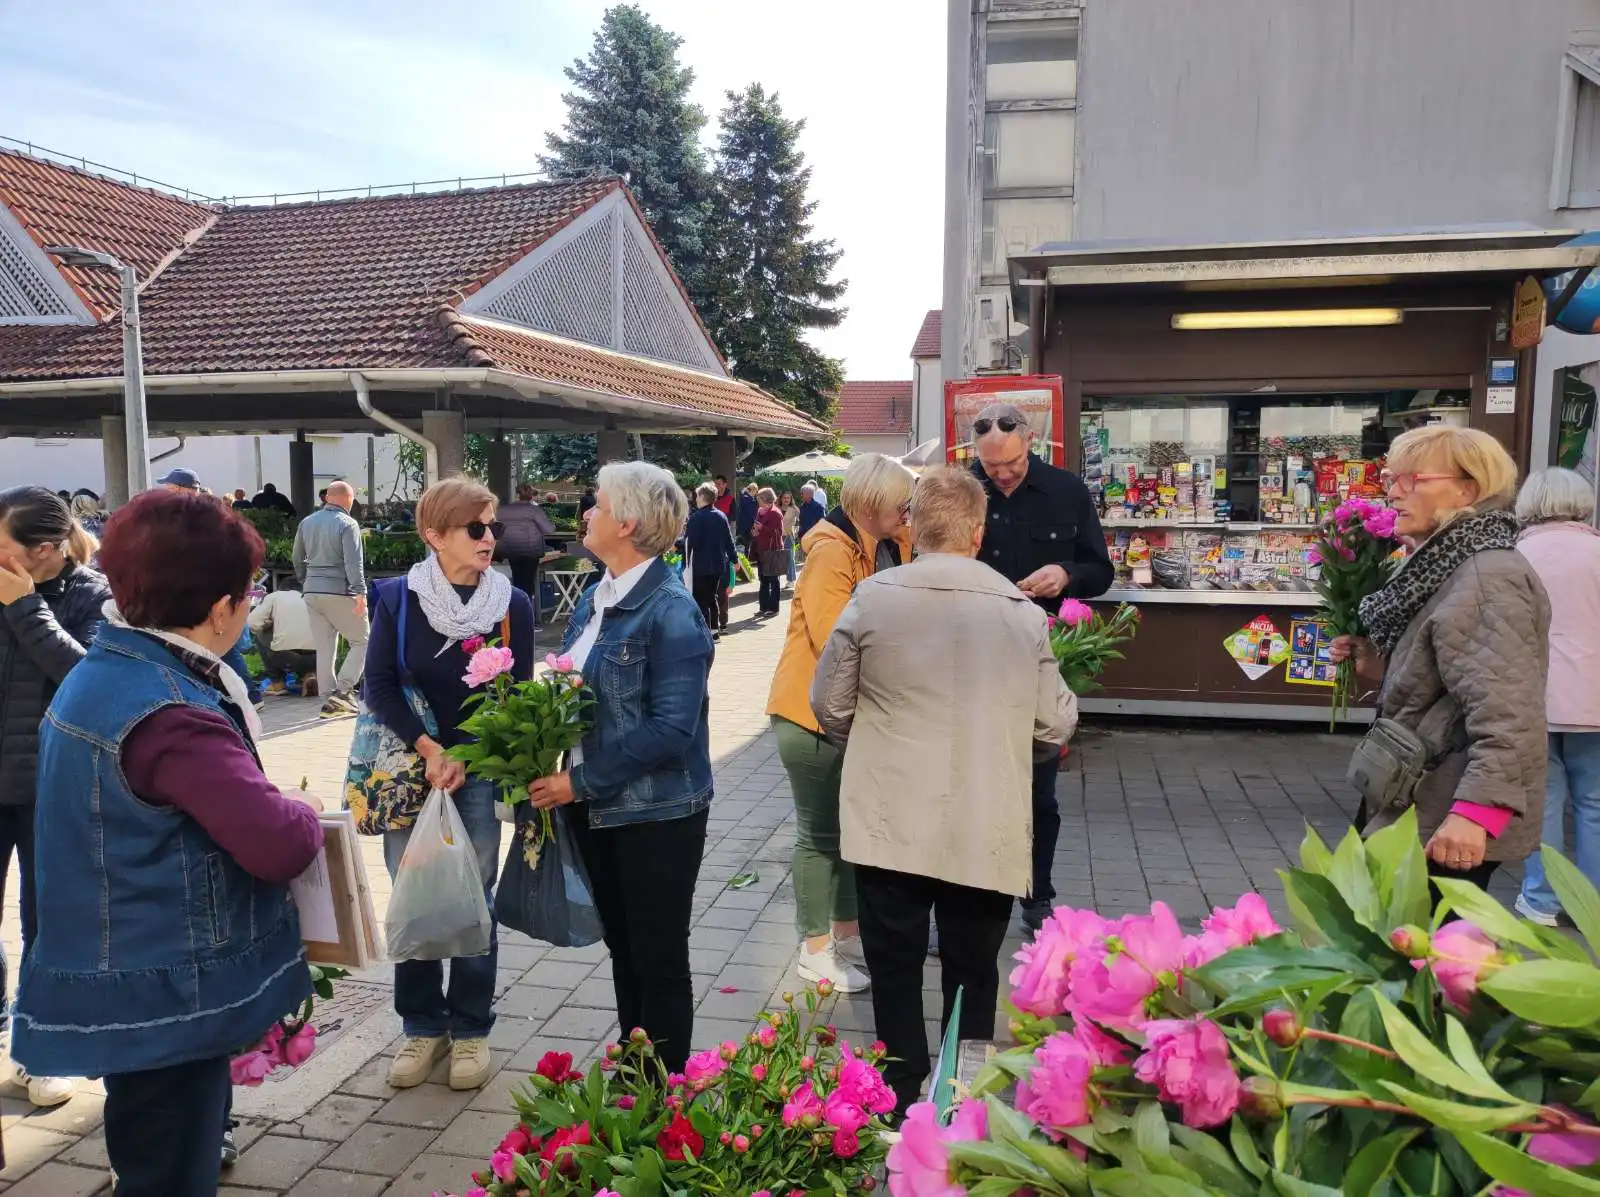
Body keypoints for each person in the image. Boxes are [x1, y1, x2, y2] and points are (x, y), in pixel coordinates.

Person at [13, 489, 323, 1195]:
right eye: (247, 595)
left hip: (126, 970)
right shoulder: (171, 711)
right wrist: (303, 809)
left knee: (152, 1153)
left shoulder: (102, 671)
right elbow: (276, 842)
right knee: (171, 1168)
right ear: (219, 609)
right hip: (167, 986)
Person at [811, 466, 1078, 1115]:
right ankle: (962, 1103)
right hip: (985, 819)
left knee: (894, 969)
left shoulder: (873, 598)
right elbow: (1055, 722)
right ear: (978, 532)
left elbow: (829, 703)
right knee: (974, 972)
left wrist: (874, 742)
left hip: (889, 816)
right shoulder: (1020, 612)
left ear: (915, 527)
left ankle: (898, 1098)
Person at [527, 461, 714, 1074]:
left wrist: (577, 781)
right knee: (625, 952)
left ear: (627, 522)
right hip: (597, 809)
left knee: (658, 959)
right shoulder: (597, 598)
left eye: (598, 503)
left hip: (656, 814)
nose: (587, 513)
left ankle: (665, 1091)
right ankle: (638, 1082)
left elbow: (672, 729)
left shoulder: (672, 611)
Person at [362, 478, 533, 1091]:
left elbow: (517, 698)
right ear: (435, 536)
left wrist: (467, 754)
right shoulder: (397, 598)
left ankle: (470, 1030)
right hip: (413, 769)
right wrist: (430, 748)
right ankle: (421, 1028)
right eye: (476, 528)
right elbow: (378, 686)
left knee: (472, 898)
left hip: (479, 772)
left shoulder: (512, 604)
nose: (490, 538)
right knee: (415, 895)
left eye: (494, 528)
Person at [1330, 426, 1548, 888]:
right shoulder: (1446, 562)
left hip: (1443, 813)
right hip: (1417, 793)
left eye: (1411, 479)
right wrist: (1378, 666)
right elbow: (1451, 679)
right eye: (1390, 478)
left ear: (1467, 489)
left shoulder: (1486, 577)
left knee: (1421, 933)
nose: (1393, 492)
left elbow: (1510, 714)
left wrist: (1476, 812)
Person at [767, 454, 915, 992]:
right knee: (819, 835)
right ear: (871, 504)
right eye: (901, 503)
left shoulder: (886, 543)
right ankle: (814, 949)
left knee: (847, 833)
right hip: (810, 717)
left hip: (846, 717)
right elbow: (835, 639)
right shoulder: (832, 553)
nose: (908, 511)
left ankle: (846, 936)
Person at [970, 402, 1112, 935]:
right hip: (975, 664)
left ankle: (1037, 896)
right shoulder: (962, 491)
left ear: (1029, 441)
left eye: (1010, 463)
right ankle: (966, 901)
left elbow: (1101, 570)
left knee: (1038, 794)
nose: (1002, 475)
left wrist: (1066, 573)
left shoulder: (1066, 490)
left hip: (1041, 665)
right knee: (971, 792)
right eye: (990, 466)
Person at [0, 488, 109, 1109]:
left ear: (43, 550)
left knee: (46, 923)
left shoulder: (93, 596)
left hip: (50, 785)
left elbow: (86, 679)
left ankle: (41, 1049)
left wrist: (24, 606)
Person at [1512, 467, 1600, 925]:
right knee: (1594, 803)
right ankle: (1591, 905)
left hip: (1532, 694)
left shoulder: (1515, 556)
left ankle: (1540, 899)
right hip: (1594, 698)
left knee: (1542, 800)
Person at [292, 480, 369, 717]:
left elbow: (296, 557)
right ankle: (343, 692)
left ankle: (328, 699)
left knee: (325, 647)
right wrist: (360, 592)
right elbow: (353, 563)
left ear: (327, 498)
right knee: (363, 640)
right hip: (339, 590)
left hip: (312, 591)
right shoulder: (348, 523)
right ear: (348, 500)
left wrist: (306, 580)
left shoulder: (307, 522)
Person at [248, 579, 319, 697]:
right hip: (316, 659)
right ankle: (310, 675)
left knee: (260, 634)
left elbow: (252, 623)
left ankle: (278, 683)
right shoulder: (312, 598)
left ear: (280, 589)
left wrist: (269, 624)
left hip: (285, 657)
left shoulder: (274, 597)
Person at [685, 481, 737, 637]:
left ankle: (705, 632)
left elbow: (691, 541)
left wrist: (677, 545)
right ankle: (714, 631)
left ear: (702, 497)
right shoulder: (721, 516)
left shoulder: (696, 517)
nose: (695, 499)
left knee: (700, 598)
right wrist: (735, 559)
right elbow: (729, 540)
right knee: (712, 597)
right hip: (718, 564)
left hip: (701, 564)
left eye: (697, 496)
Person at [498, 484, 558, 616]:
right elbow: (549, 529)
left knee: (517, 580)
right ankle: (527, 616)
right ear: (531, 496)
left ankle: (516, 614)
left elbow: (497, 526)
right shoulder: (534, 510)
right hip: (531, 551)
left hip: (511, 549)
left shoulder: (504, 510)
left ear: (517, 495)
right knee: (528, 583)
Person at [753, 487, 786, 617]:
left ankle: (774, 608)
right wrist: (754, 531)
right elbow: (756, 526)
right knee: (763, 580)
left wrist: (763, 528)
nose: (758, 502)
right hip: (761, 550)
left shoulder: (775, 513)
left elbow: (778, 532)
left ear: (766, 499)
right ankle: (763, 607)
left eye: (759, 499)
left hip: (772, 550)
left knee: (773, 580)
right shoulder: (759, 512)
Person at [780, 491, 800, 583]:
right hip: (777, 536)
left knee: (790, 558)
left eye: (788, 498)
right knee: (776, 558)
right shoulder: (776, 508)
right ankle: (775, 580)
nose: (786, 500)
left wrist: (794, 533)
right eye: (784, 498)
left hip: (788, 536)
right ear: (781, 499)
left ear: (791, 499)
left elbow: (798, 523)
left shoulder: (794, 509)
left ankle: (791, 580)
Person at [735, 482, 759, 556]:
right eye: (756, 491)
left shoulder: (746, 497)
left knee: (745, 544)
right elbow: (750, 513)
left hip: (744, 525)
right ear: (753, 490)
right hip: (747, 525)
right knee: (746, 544)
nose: (756, 493)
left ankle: (745, 558)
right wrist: (755, 521)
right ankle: (745, 559)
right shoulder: (747, 498)